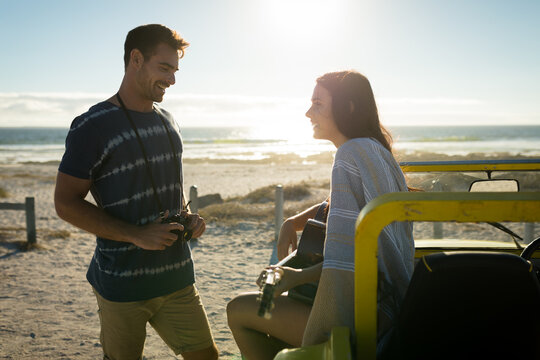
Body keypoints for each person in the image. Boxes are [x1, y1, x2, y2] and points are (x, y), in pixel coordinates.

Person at [54, 24, 218, 360]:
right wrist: (136, 234)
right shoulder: (92, 126)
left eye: (174, 70)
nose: (172, 79)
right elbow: (65, 203)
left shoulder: (168, 121)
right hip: (122, 285)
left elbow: (169, 189)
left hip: (177, 278)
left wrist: (188, 218)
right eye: (164, 68)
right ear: (136, 59)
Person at [226, 70, 414, 360]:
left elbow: (349, 262)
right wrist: (292, 222)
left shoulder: (350, 154)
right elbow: (340, 203)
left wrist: (296, 277)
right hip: (390, 301)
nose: (307, 112)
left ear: (347, 107)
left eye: (317, 104)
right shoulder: (373, 149)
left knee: (239, 309)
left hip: (366, 316)